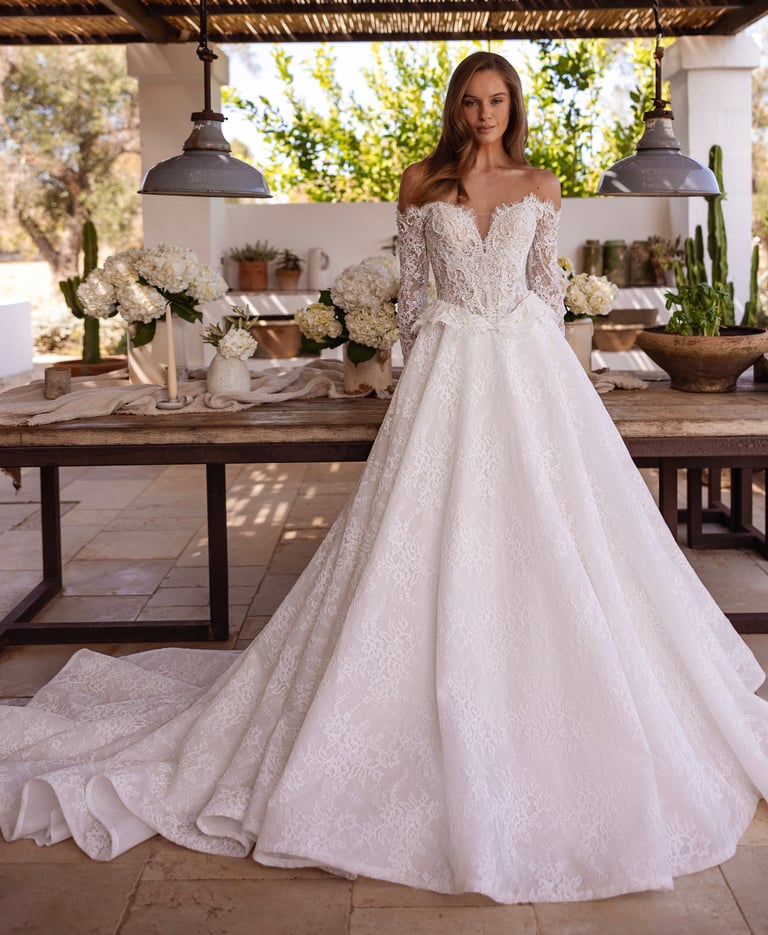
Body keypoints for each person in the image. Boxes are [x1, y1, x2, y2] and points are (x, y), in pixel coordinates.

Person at [1, 51, 767, 905]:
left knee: (552, 530)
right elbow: (410, 299)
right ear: (456, 107)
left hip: (528, 372)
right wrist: (409, 371)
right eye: (472, 100)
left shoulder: (541, 185)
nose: (485, 112)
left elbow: (546, 292)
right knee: (423, 535)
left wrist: (561, 381)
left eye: (498, 99)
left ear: (514, 106)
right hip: (446, 369)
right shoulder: (420, 182)